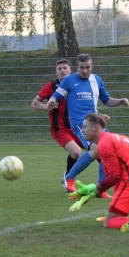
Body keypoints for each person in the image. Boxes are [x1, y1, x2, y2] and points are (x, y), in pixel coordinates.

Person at [46, 53, 129, 195]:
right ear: (77, 67)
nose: (85, 71)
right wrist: (52, 101)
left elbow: (107, 100)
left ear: (92, 66)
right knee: (96, 149)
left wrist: (120, 101)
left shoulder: (96, 80)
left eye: (88, 67)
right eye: (82, 68)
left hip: (96, 122)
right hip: (80, 123)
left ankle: (100, 189)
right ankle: (69, 178)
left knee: (109, 150)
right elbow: (56, 96)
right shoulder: (69, 80)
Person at [68, 113, 129, 232]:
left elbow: (114, 176)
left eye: (85, 127)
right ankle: (116, 215)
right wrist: (94, 191)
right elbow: (117, 176)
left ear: (95, 128)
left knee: (109, 222)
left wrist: (95, 190)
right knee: (116, 201)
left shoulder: (104, 144)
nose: (82, 130)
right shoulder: (113, 138)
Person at [31, 59, 83, 188]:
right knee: (76, 152)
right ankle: (68, 179)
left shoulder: (77, 85)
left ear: (70, 70)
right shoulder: (51, 86)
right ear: (56, 72)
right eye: (59, 69)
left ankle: (112, 178)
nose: (62, 71)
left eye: (65, 68)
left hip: (76, 127)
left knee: (97, 148)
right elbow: (34, 103)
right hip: (59, 129)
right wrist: (47, 107)